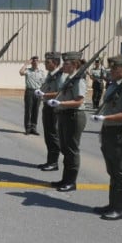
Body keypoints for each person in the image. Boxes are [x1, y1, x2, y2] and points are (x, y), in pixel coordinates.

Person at [90, 55, 122, 220]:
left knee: (120, 172)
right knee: (112, 170)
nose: (111, 71)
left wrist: (105, 118)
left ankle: (120, 209)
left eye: (114, 68)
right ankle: (112, 204)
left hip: (120, 133)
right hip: (109, 131)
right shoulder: (114, 86)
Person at [46, 51, 87, 192]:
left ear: (75, 64)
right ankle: (65, 179)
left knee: (72, 150)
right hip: (65, 115)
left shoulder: (78, 80)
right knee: (65, 148)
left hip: (74, 116)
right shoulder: (69, 78)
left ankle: (71, 181)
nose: (64, 65)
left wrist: (59, 103)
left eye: (67, 63)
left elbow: (79, 101)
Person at [34, 52, 64, 171]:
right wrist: (41, 92)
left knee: (53, 135)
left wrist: (45, 94)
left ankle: (54, 162)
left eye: (48, 62)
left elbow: (60, 92)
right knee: (48, 135)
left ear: (55, 63)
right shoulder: (51, 75)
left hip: (54, 108)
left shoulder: (60, 76)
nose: (45, 64)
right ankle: (50, 161)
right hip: (47, 106)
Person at [19, 56, 45, 135]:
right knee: (28, 110)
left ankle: (34, 128)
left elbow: (43, 83)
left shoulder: (41, 72)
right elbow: (21, 72)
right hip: (29, 91)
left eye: (36, 61)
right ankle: (27, 128)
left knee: (35, 110)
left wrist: (43, 94)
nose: (35, 63)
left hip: (38, 91)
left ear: (38, 62)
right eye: (33, 61)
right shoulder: (28, 71)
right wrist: (26, 64)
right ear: (31, 63)